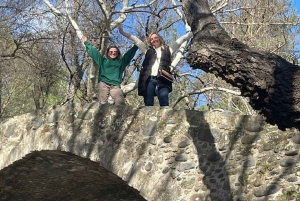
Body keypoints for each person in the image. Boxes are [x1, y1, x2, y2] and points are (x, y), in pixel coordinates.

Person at [81, 24, 141, 105]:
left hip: (115, 85)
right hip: (103, 83)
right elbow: (94, 52)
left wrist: (137, 44)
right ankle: (101, 117)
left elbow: (129, 54)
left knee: (120, 103)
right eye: (111, 52)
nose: (113, 53)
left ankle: (119, 117)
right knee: (102, 104)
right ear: (108, 53)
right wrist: (86, 43)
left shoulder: (121, 62)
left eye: (115, 52)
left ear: (118, 53)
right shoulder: (102, 61)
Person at [137, 31, 193, 107]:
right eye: (152, 39)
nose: (154, 40)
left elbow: (181, 39)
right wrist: (122, 32)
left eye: (156, 38)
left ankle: (166, 118)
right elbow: (136, 41)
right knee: (148, 104)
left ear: (160, 38)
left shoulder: (168, 49)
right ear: (150, 42)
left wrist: (195, 31)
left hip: (163, 79)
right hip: (149, 80)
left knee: (164, 104)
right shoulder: (148, 51)